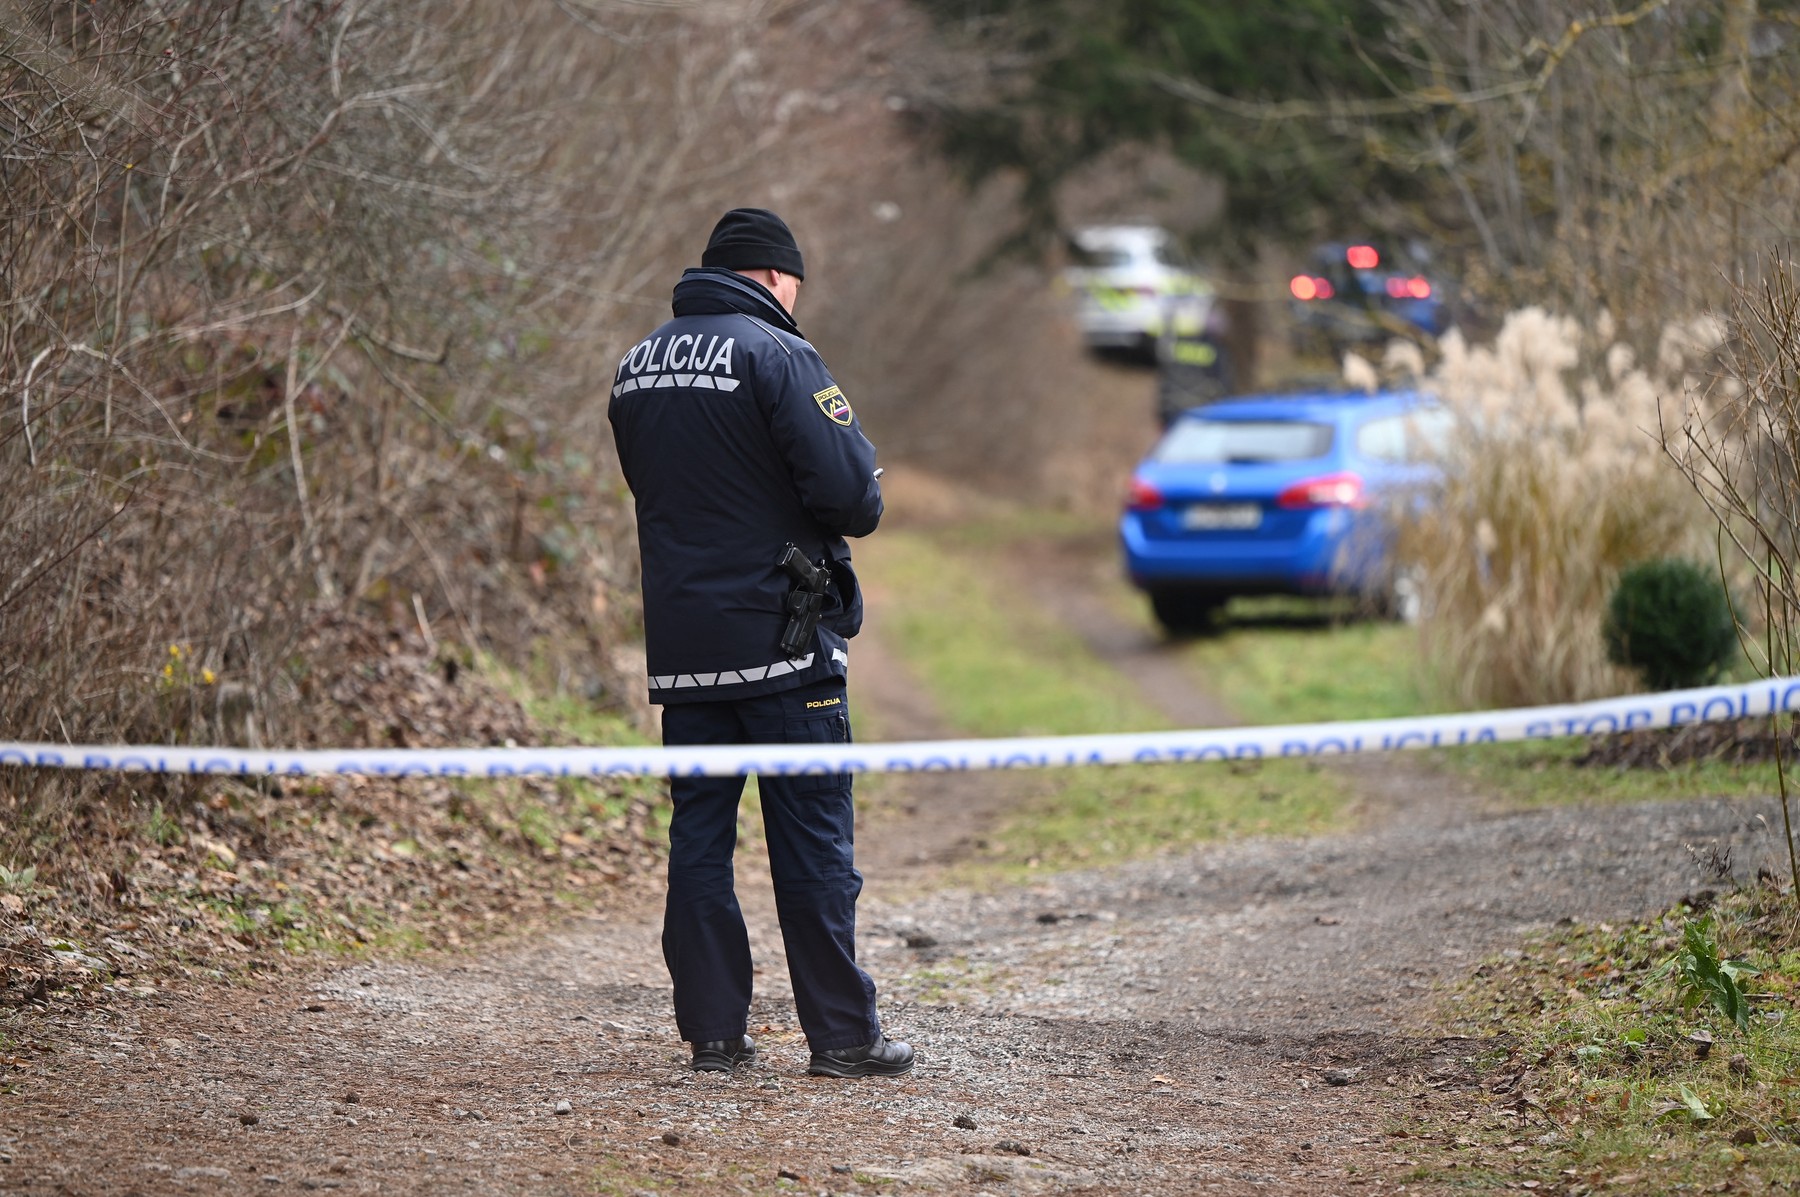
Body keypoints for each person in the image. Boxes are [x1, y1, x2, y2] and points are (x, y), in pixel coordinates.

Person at [607, 208, 914, 1078]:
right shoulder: (778, 354)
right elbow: (856, 499)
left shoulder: (635, 367)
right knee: (813, 842)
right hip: (785, 645)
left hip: (684, 650)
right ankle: (844, 1035)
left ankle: (714, 1034)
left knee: (699, 842)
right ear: (776, 278)